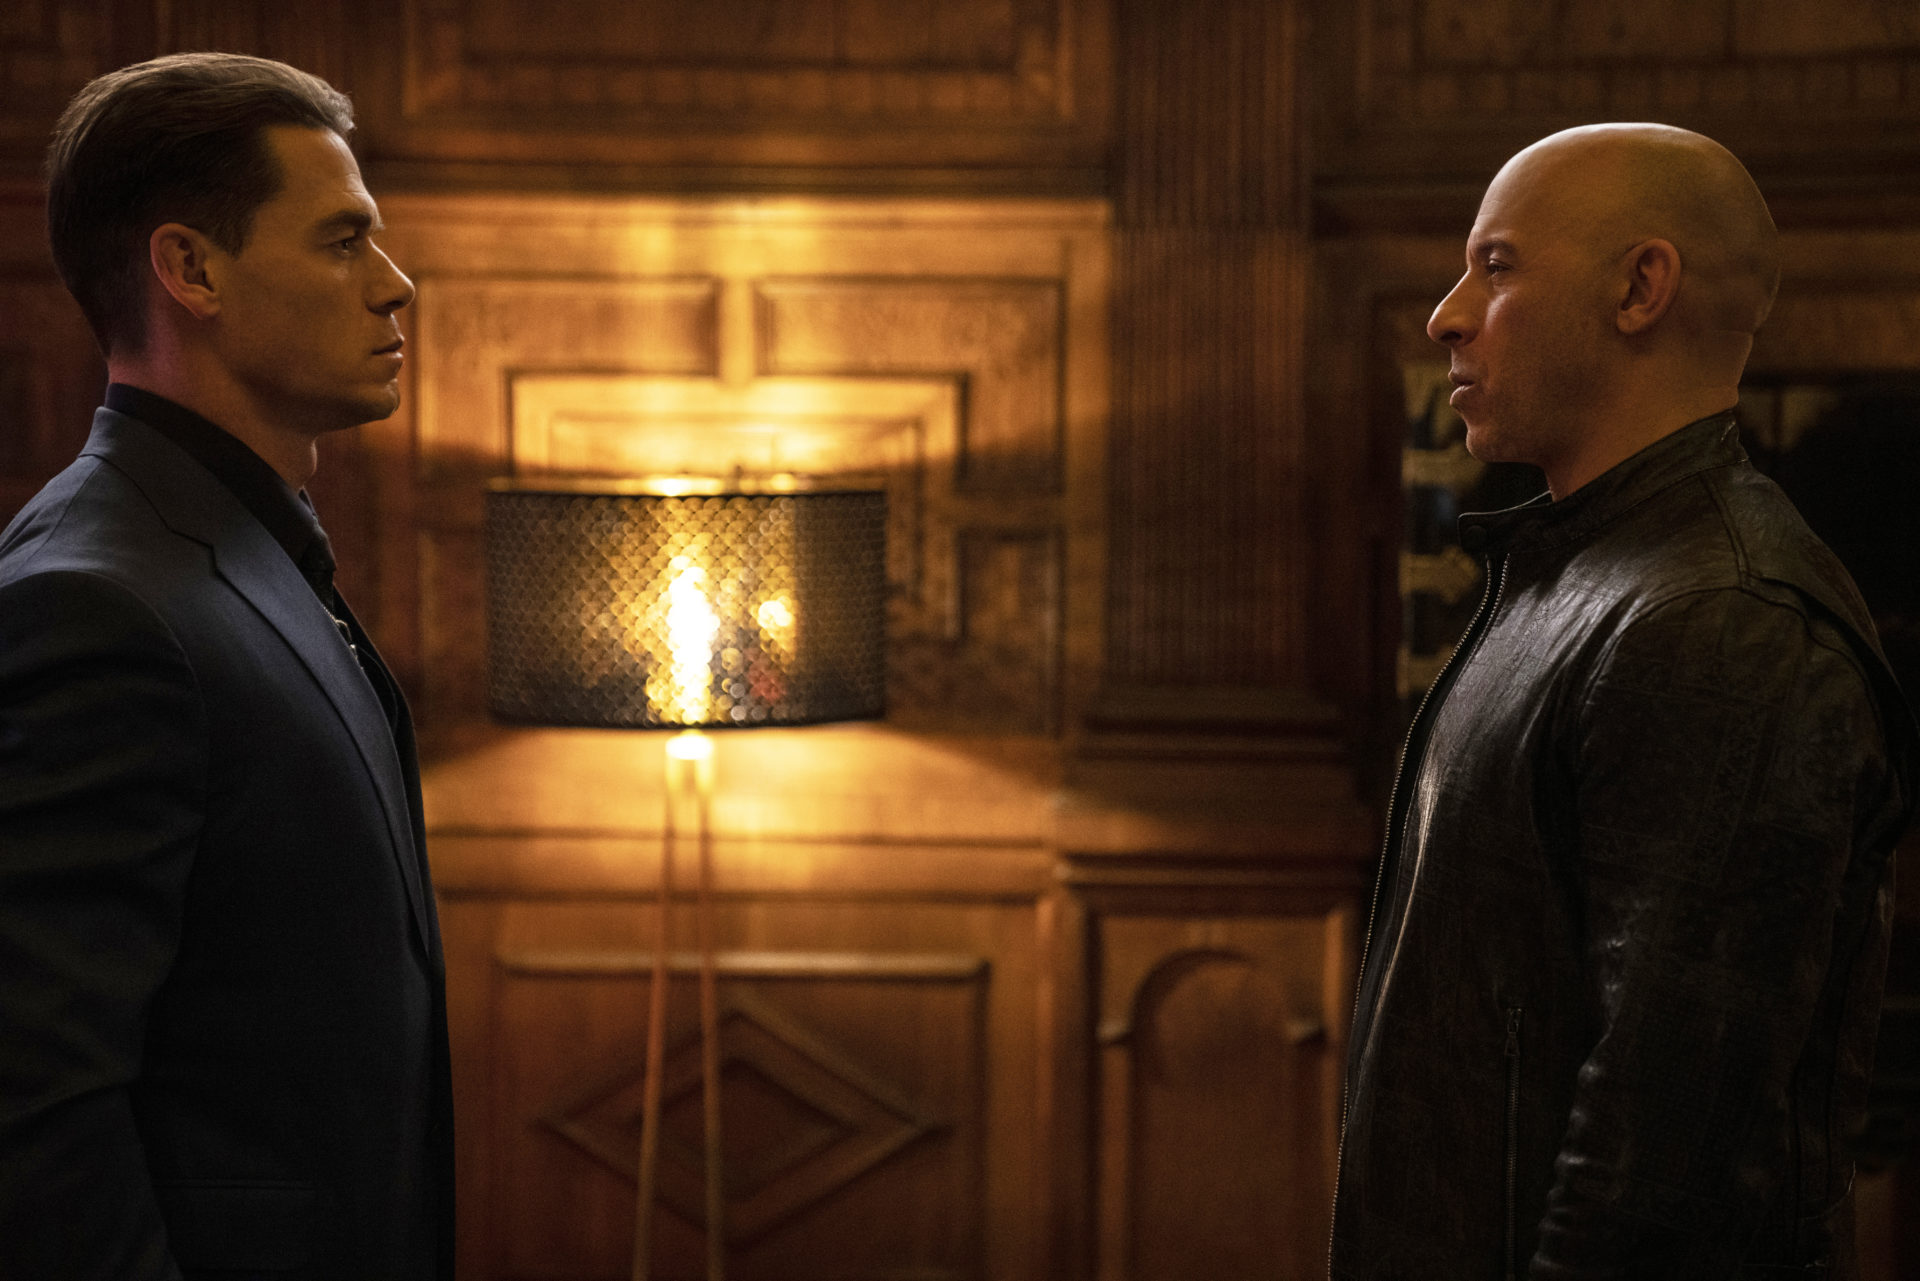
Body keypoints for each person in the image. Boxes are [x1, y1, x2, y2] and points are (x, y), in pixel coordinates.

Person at [1331, 123, 1918, 1279]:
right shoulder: (1586, 574)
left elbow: (1668, 1161)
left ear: (1641, 288)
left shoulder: (1724, 619)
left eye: (1496, 266)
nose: (1446, 315)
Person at [0, 54, 451, 1279]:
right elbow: (34, 1114)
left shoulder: (232, 544)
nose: (395, 285)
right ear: (191, 269)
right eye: (343, 242)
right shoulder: (94, 601)